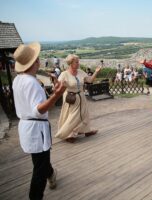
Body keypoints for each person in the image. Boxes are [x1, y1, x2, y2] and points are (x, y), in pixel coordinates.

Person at [12, 42, 66, 200]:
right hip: (36, 128)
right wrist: (55, 95)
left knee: (40, 160)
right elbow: (38, 109)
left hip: (26, 126)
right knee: (39, 170)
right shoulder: (31, 82)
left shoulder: (18, 80)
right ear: (35, 61)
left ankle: (51, 174)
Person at [55, 54, 101, 143]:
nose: (78, 63)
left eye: (78, 61)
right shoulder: (64, 74)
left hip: (81, 96)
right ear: (71, 63)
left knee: (84, 114)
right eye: (76, 62)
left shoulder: (80, 72)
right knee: (72, 117)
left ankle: (86, 131)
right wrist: (57, 82)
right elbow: (57, 86)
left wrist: (96, 72)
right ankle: (68, 134)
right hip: (71, 98)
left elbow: (90, 80)